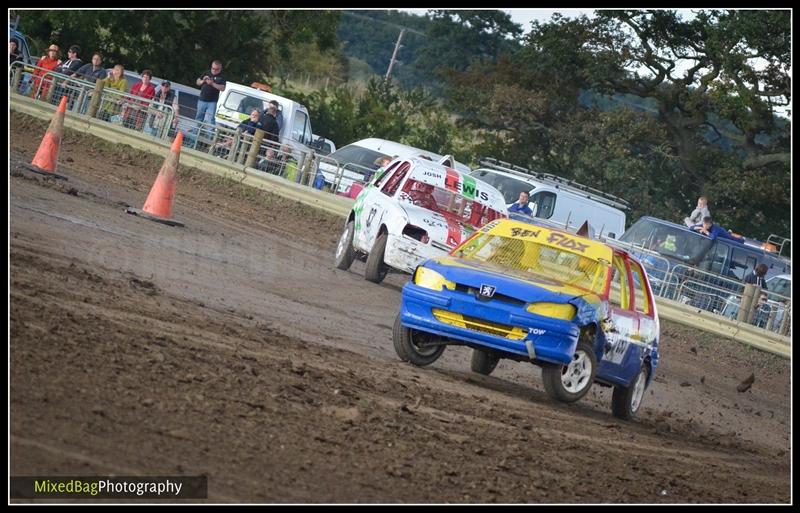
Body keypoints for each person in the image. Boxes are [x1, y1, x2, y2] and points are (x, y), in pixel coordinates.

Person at [195, 59, 226, 126]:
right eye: (213, 68)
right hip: (202, 99)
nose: (214, 70)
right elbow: (198, 82)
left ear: (220, 69)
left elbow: (222, 88)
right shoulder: (206, 73)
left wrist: (212, 84)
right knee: (198, 118)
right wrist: (203, 81)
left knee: (210, 119)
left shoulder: (222, 77)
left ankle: (210, 136)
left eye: (216, 69)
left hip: (212, 101)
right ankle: (194, 135)